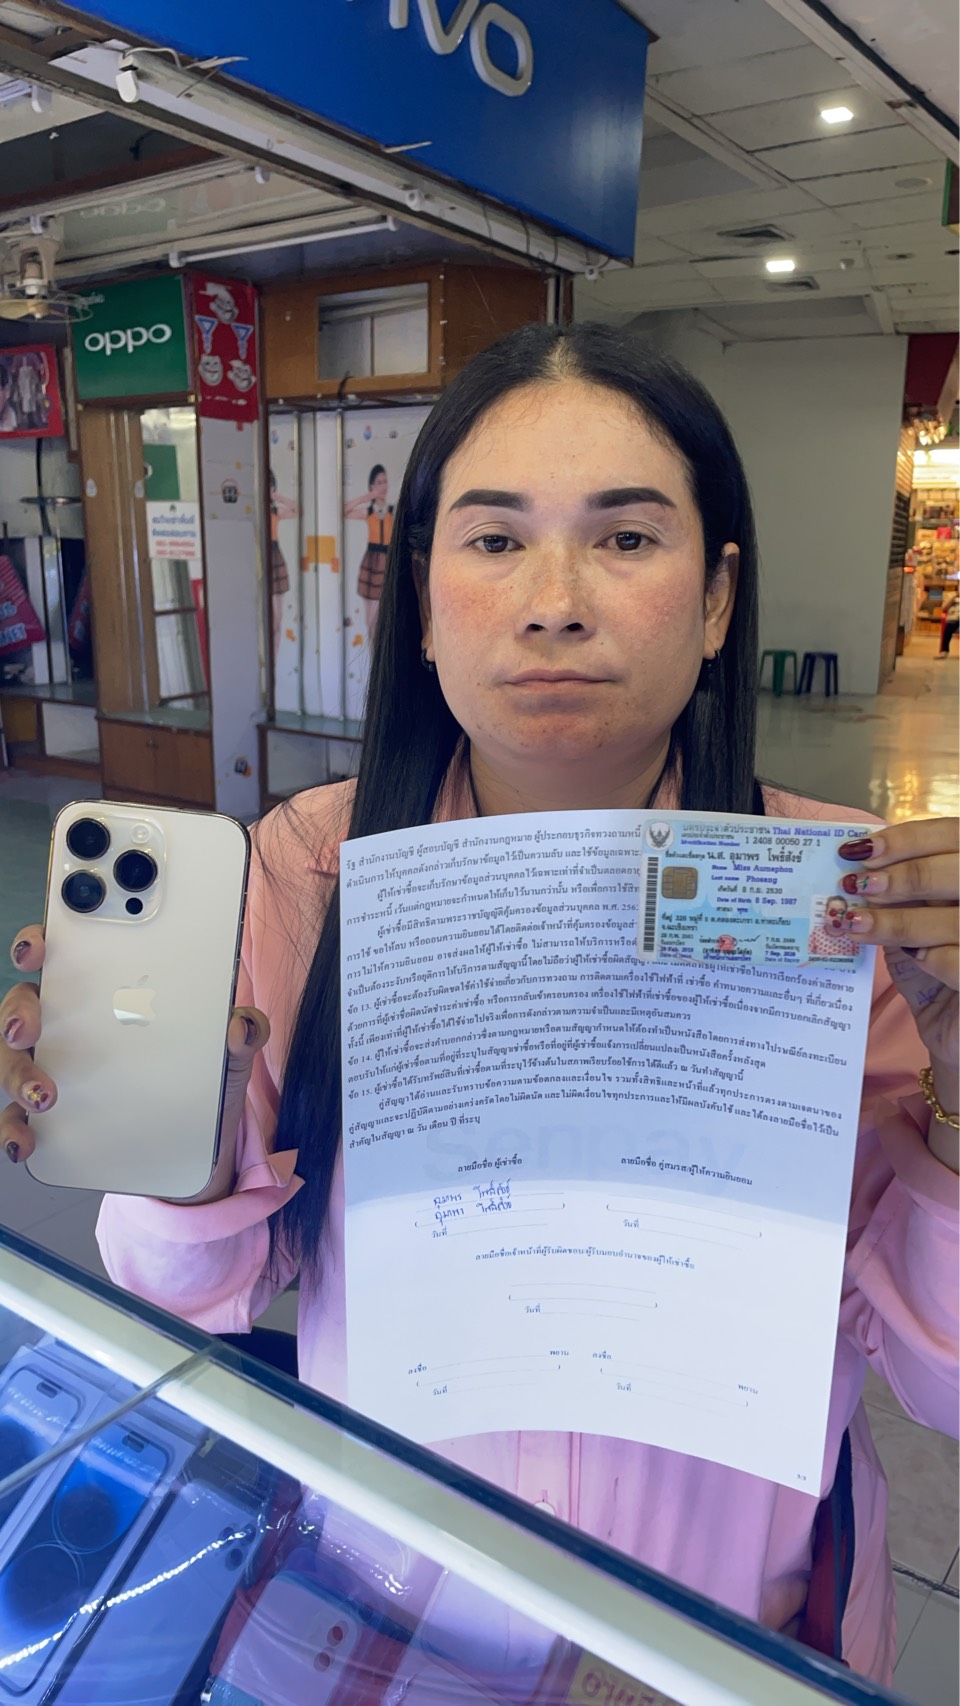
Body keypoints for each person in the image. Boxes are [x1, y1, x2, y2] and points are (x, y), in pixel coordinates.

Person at [1, 325, 956, 1685]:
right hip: (375, 1611)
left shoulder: (851, 915)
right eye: (496, 539)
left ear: (718, 596)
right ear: (422, 596)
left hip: (717, 1638)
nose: (553, 601)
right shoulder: (305, 870)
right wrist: (178, 1139)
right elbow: (182, 1296)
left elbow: (938, 1380)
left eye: (627, 538)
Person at [344, 463, 394, 645]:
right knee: (371, 622)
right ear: (372, 486)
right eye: (379, 482)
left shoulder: (393, 511)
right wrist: (367, 497)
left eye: (385, 481)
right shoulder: (369, 511)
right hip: (371, 563)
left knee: (386, 622)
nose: (383, 486)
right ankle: (374, 660)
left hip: (389, 564)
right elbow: (343, 511)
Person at [268, 468, 297, 663]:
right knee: (266, 618)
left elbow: (297, 509)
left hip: (275, 556)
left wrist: (276, 497)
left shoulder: (275, 511)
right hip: (259, 557)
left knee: (278, 618)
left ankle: (274, 662)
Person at [937, 591, 959, 659]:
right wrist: (954, 598)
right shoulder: (950, 596)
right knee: (947, 632)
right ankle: (945, 651)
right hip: (953, 619)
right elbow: (944, 608)